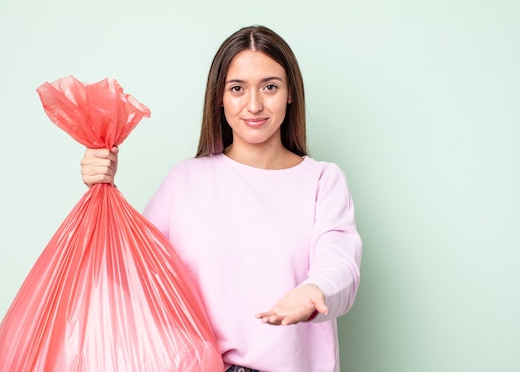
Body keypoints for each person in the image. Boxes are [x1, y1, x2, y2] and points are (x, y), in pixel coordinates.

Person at [81, 25, 362, 372]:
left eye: (270, 87)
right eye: (237, 88)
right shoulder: (185, 180)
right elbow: (129, 272)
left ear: (290, 93)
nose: (254, 104)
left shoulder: (321, 181)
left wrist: (315, 291)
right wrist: (102, 189)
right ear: (219, 97)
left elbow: (340, 263)